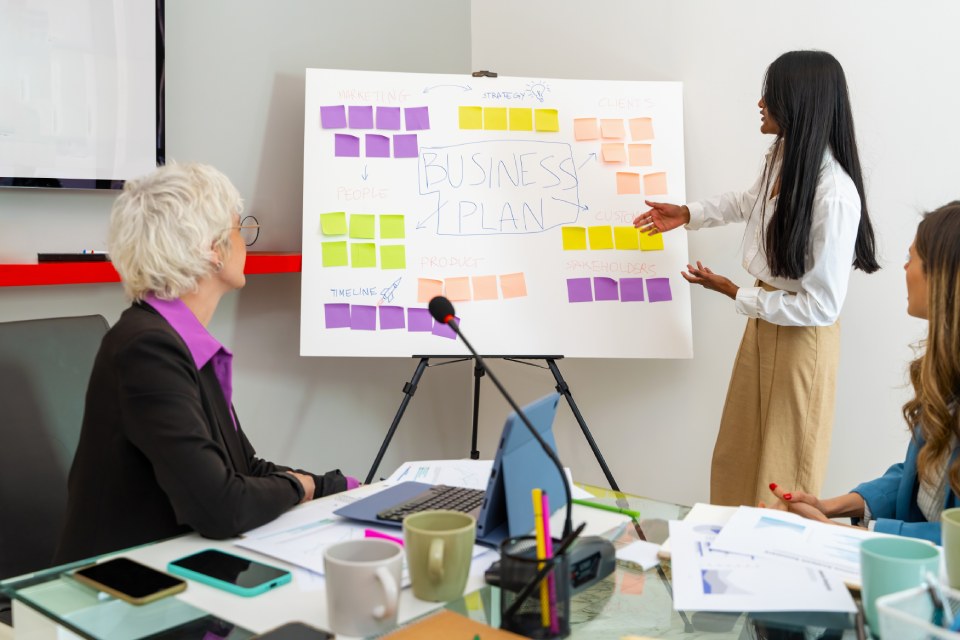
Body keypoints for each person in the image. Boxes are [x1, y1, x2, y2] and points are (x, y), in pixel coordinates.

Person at [55, 163, 357, 563]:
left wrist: (338, 486)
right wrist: (300, 487)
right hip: (117, 596)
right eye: (239, 229)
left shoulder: (177, 340)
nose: (245, 242)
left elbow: (243, 468)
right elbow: (220, 506)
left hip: (173, 571)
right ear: (213, 249)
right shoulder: (146, 349)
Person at [634, 50, 880, 507]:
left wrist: (736, 293)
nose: (760, 102)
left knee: (783, 470)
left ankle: (771, 566)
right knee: (738, 453)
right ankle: (727, 554)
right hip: (765, 322)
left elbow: (822, 306)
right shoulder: (786, 157)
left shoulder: (835, 195)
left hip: (802, 337)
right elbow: (749, 203)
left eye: (772, 93)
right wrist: (688, 214)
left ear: (798, 101)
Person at [765, 202, 960, 543]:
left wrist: (846, 534)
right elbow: (920, 478)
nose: (905, 266)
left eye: (912, 257)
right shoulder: (942, 373)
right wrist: (828, 506)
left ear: (942, 275)